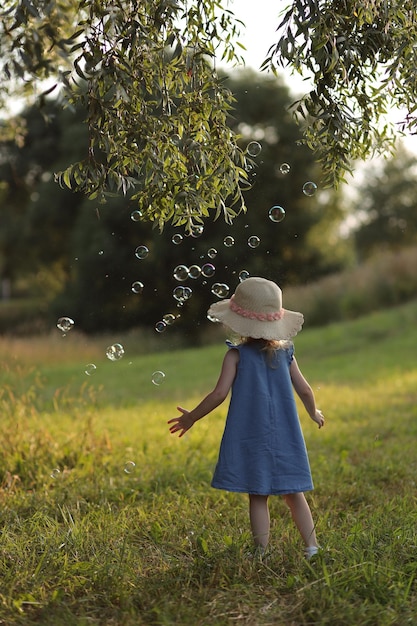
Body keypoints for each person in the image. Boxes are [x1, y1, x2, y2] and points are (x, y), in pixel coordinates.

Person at [168, 277, 324, 559]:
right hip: (286, 434)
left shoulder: (235, 355)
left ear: (238, 320)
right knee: (294, 493)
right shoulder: (286, 352)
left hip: (253, 435)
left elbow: (218, 395)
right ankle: (312, 547)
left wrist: (192, 417)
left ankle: (261, 551)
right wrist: (314, 412)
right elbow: (304, 388)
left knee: (258, 495)